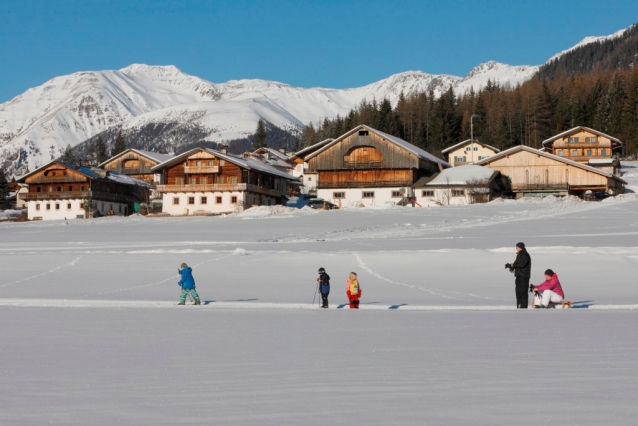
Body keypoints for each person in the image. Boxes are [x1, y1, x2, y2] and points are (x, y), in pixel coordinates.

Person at [505, 242, 532, 309]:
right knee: (518, 292)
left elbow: (522, 264)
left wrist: (513, 265)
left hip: (524, 276)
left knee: (523, 293)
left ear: (520, 247)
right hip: (519, 276)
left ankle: (523, 308)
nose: (516, 248)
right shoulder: (519, 255)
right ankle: (519, 307)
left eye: (517, 247)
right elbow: (516, 263)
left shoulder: (525, 255)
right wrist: (511, 266)